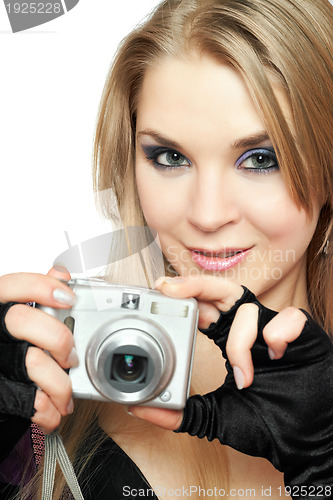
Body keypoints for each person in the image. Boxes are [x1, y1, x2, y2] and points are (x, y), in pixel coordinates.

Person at [0, 0, 333, 498]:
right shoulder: (53, 402)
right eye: (170, 157)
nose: (206, 213)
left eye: (261, 159)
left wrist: (322, 468)